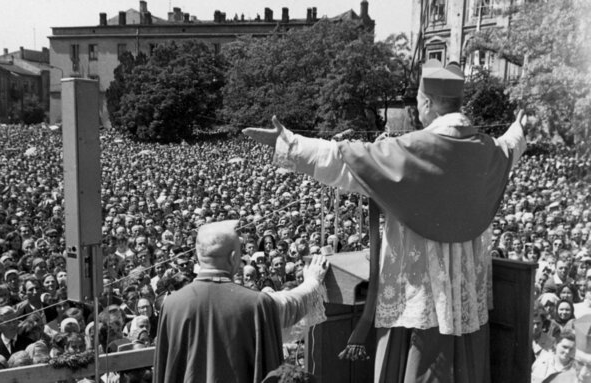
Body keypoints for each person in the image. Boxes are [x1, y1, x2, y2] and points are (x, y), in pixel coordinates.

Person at [243, 59, 527, 383]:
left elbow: (343, 159)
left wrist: (289, 143)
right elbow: (512, 145)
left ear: (428, 103)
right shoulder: (488, 151)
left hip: (417, 307)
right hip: (464, 311)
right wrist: (520, 125)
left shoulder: (412, 150)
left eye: (418, 100)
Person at [154, 220, 328, 383]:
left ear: (199, 256)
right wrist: (312, 281)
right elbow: (291, 305)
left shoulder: (171, 304)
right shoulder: (255, 303)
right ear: (232, 257)